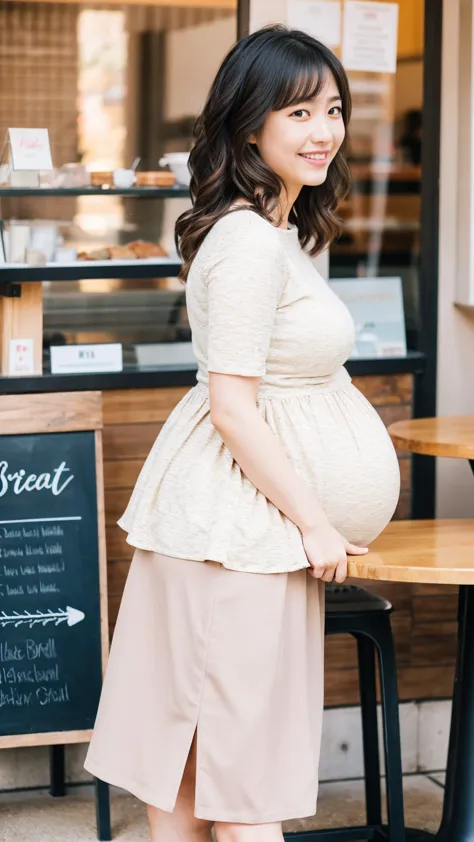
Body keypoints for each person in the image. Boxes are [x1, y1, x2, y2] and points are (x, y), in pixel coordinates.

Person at [84, 24, 400, 842]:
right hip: (234, 543)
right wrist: (317, 521)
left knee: (195, 770)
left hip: (239, 540)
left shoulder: (278, 235)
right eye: (298, 112)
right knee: (239, 793)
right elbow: (231, 407)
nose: (323, 130)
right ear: (249, 121)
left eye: (332, 108)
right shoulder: (248, 243)